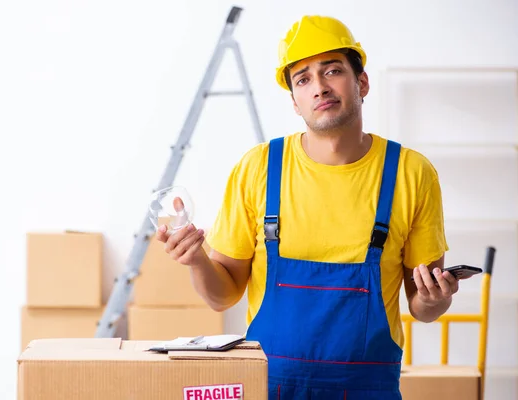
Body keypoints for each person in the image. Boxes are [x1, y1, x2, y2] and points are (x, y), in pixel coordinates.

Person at [156, 14, 464, 399]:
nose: (319, 87)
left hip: (368, 390)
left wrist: (437, 298)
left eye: (332, 71)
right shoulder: (259, 168)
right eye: (303, 79)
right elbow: (224, 294)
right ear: (295, 102)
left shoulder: (410, 173)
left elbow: (422, 307)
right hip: (269, 388)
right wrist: (197, 260)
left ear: (361, 82)